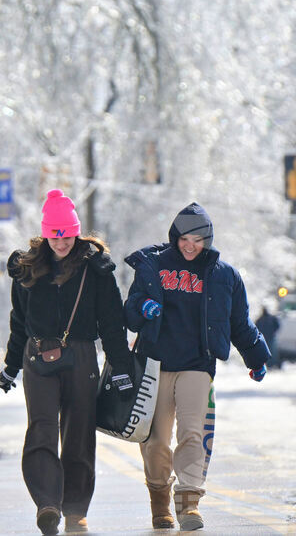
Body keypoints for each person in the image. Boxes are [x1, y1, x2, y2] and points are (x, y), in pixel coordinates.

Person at [123, 202, 270, 531]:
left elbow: (239, 323)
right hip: (155, 364)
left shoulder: (224, 276)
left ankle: (189, 501)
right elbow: (129, 312)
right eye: (184, 238)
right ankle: (159, 497)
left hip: (197, 365)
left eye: (198, 239)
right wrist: (142, 307)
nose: (190, 245)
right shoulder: (153, 265)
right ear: (175, 237)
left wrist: (256, 357)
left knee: (193, 433)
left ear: (208, 240)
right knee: (156, 440)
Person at [0, 189, 132, 535]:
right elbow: (18, 323)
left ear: (76, 230)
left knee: (79, 432)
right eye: (55, 234)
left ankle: (75, 510)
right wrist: (11, 366)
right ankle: (48, 504)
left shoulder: (96, 269)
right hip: (36, 355)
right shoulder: (27, 269)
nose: (61, 241)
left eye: (67, 233)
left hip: (81, 356)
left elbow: (112, 322)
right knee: (41, 430)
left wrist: (122, 367)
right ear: (45, 232)